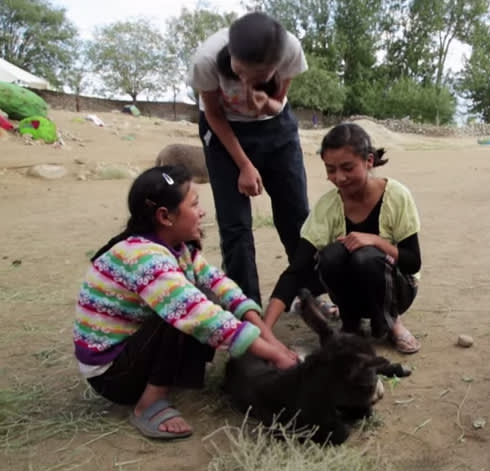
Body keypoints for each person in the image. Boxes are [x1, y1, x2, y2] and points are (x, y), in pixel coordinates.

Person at [73, 165, 300, 440]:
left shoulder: (178, 248)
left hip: (134, 351)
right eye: (194, 204)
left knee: (206, 294)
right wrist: (274, 355)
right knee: (187, 309)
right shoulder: (144, 258)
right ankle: (148, 403)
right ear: (165, 216)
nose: (202, 212)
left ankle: (172, 377)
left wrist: (272, 341)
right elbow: (202, 315)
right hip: (112, 375)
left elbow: (224, 288)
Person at [264, 123, 423, 354]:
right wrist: (265, 329)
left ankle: (392, 322)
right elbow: (297, 269)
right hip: (355, 294)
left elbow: (412, 262)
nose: (339, 177)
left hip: (397, 290)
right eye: (331, 169)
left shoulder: (397, 196)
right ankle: (351, 323)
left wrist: (377, 241)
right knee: (331, 255)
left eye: (348, 167)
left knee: (366, 257)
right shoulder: (328, 207)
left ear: (369, 161)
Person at [187, 11, 310, 304]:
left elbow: (278, 104)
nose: (244, 82)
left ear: (276, 66)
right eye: (239, 72)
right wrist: (244, 165)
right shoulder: (206, 59)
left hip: (276, 128)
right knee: (235, 226)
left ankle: (310, 293)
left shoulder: (290, 50)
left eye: (256, 77)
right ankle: (245, 306)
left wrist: (265, 103)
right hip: (224, 131)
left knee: (296, 215)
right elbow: (214, 114)